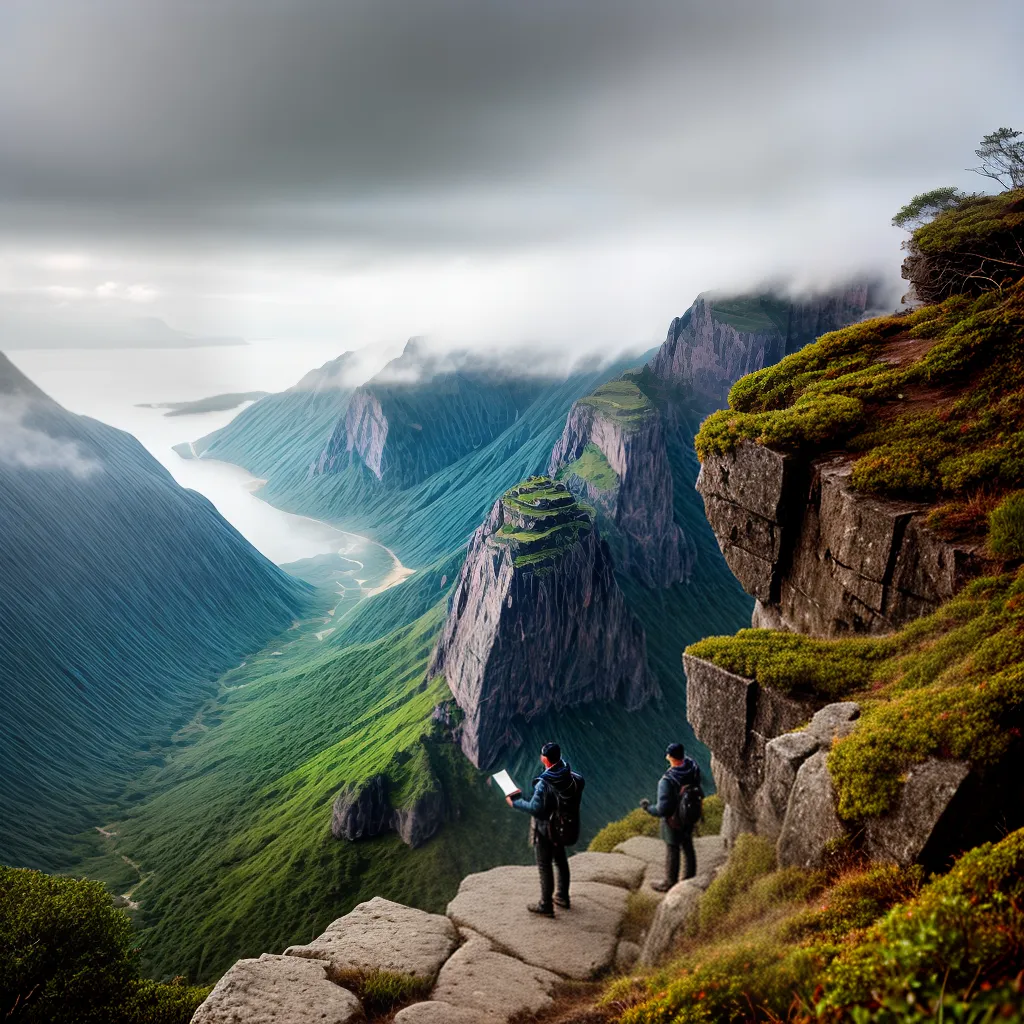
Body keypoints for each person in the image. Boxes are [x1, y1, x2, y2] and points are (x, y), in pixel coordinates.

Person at [507, 741, 579, 917]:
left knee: (544, 865)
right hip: (563, 825)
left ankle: (546, 904)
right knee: (561, 861)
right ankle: (562, 896)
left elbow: (534, 808)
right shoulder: (572, 776)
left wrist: (515, 802)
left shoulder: (544, 784)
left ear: (545, 759)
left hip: (545, 829)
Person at [640, 742, 702, 892]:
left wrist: (648, 808)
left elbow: (663, 809)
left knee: (673, 849)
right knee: (688, 846)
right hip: (690, 814)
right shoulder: (692, 767)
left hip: (674, 821)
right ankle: (689, 878)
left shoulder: (666, 781)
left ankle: (670, 883)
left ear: (670, 757)